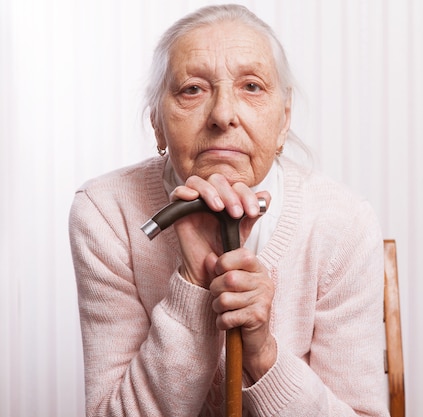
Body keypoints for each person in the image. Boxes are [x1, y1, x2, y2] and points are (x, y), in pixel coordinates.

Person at [69, 4, 389, 416]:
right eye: (192, 89)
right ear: (156, 121)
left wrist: (264, 354)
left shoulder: (343, 222)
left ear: (284, 119)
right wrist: (192, 285)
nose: (222, 115)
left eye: (252, 87)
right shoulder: (106, 213)